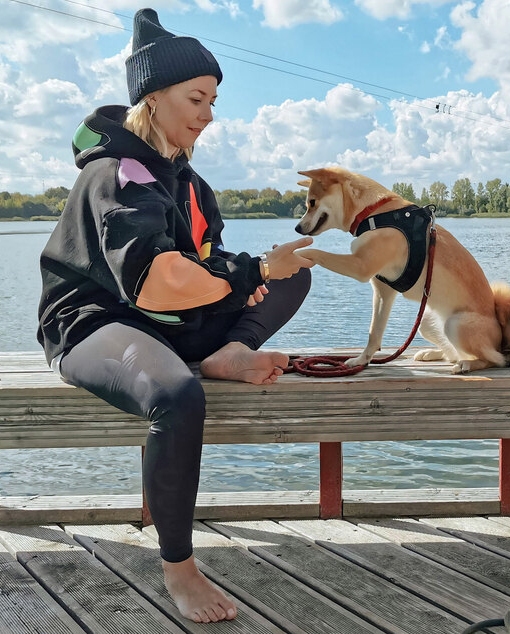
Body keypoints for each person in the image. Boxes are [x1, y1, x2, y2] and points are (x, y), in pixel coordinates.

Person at [37, 8, 314, 623]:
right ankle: (179, 567)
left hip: (165, 321)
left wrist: (253, 277)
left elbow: (204, 263)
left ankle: (226, 350)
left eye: (214, 100)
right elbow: (157, 283)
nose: (209, 113)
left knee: (297, 275)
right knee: (178, 396)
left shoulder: (190, 182)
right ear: (153, 98)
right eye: (197, 98)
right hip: (94, 322)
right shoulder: (119, 173)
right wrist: (250, 276)